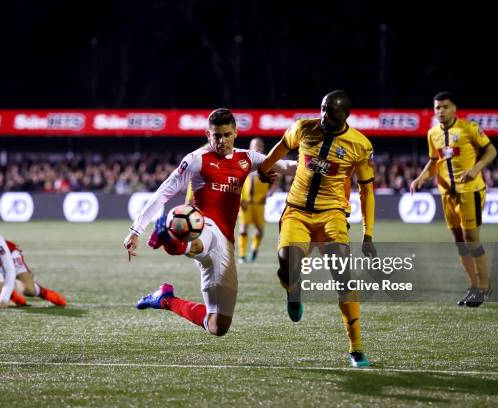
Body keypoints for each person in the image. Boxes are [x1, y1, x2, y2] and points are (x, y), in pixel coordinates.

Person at [123, 108, 296, 336]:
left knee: (218, 326)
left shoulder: (247, 158)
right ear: (208, 135)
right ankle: (167, 235)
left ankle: (165, 299)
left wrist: (320, 167)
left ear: (235, 134)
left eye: (226, 135)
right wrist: (136, 229)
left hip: (226, 242)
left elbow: (286, 166)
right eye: (216, 136)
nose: (222, 141)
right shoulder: (196, 159)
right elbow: (164, 192)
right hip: (203, 225)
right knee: (198, 238)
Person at [258, 90, 377, 368]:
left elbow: (367, 191)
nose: (324, 116)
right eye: (322, 109)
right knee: (288, 265)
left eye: (331, 112)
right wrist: (265, 167)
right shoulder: (304, 128)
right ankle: (294, 291)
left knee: (344, 278)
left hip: (332, 216)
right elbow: (281, 145)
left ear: (345, 115)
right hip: (296, 212)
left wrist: (368, 234)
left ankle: (356, 347)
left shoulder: (360, 145)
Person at [410, 91, 497, 307]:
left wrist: (476, 168)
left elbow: (491, 151)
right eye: (437, 107)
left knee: (471, 240)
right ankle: (474, 286)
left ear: (454, 108)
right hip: (446, 194)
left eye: (445, 107)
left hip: (470, 192)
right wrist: (420, 179)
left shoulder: (469, 128)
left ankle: (484, 288)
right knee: (459, 243)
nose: (441, 111)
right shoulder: (432, 134)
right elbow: (434, 162)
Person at [237, 137, 278, 264]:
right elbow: (237, 181)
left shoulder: (267, 163)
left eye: (259, 145)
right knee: (243, 229)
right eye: (255, 145)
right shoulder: (244, 163)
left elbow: (276, 180)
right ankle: (242, 256)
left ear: (262, 148)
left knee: (259, 230)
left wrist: (270, 192)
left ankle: (254, 251)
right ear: (250, 147)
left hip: (260, 203)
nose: (257, 148)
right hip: (245, 203)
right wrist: (239, 198)